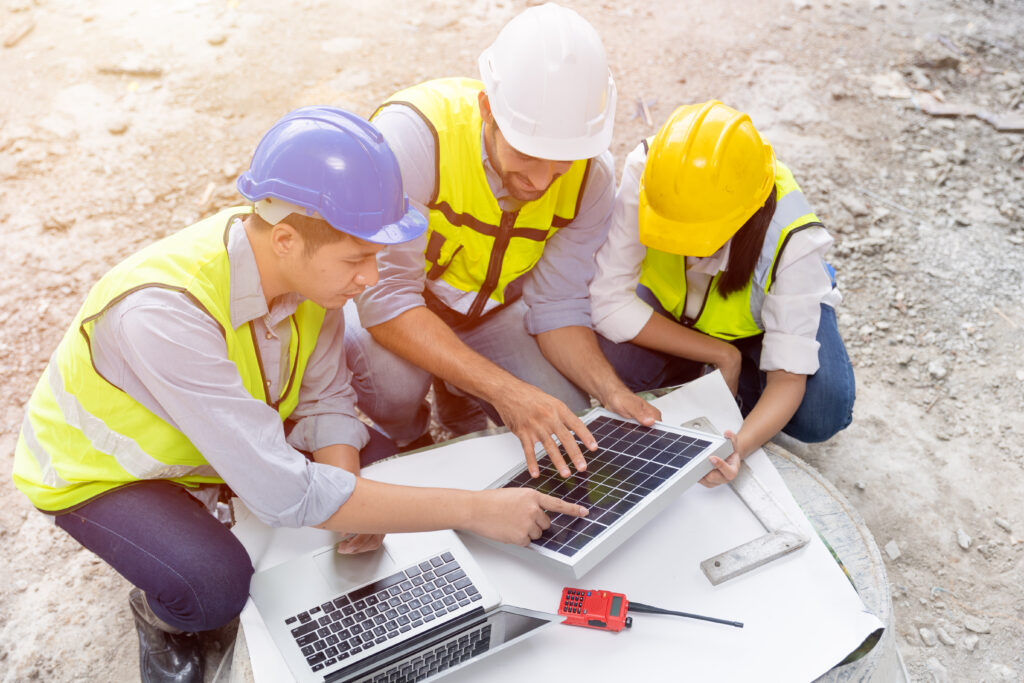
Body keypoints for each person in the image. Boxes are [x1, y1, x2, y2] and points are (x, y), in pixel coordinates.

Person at [11, 107, 588, 683]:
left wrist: (347, 496)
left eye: (377, 257)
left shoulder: (308, 276)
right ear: (285, 239)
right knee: (213, 587)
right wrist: (478, 511)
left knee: (375, 470)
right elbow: (285, 496)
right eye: (358, 259)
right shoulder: (161, 314)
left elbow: (326, 402)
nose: (371, 278)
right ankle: (164, 618)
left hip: (217, 435)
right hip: (111, 473)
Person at [345, 2, 658, 479]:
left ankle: (458, 391)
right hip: (403, 304)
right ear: (487, 109)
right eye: (529, 153)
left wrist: (612, 393)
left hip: (492, 310)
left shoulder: (592, 174)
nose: (540, 180)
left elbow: (558, 306)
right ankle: (414, 435)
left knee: (568, 418)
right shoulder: (411, 137)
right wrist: (507, 392)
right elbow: (386, 300)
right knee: (393, 385)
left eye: (562, 163)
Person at [590, 100, 856, 488]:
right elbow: (608, 303)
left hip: (759, 326)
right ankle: (717, 374)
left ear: (743, 216)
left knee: (819, 412)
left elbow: (787, 380)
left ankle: (731, 377)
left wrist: (739, 445)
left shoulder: (793, 238)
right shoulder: (649, 172)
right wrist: (719, 355)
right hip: (681, 316)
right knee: (613, 367)